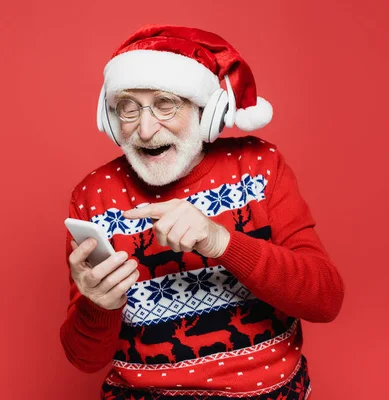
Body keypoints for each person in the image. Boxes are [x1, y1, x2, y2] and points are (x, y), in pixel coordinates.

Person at [59, 25, 344, 400]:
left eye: (165, 104)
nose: (145, 130)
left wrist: (220, 241)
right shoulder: (91, 196)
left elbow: (325, 300)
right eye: (129, 107)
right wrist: (99, 304)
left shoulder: (260, 166)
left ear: (206, 111)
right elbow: (84, 359)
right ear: (110, 118)